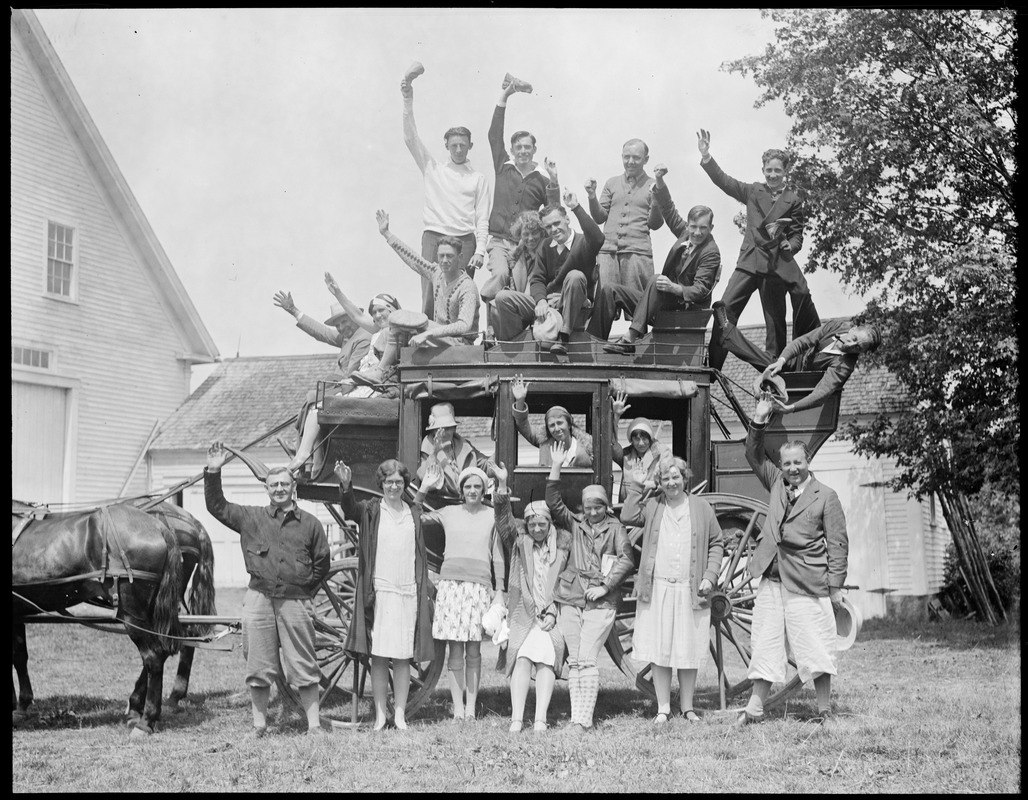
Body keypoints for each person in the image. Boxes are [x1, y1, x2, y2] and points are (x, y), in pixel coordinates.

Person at [735, 392, 849, 726]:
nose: (792, 469)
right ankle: (755, 708)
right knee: (765, 641)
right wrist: (759, 417)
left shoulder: (826, 496)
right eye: (786, 464)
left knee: (815, 643)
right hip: (771, 576)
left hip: (806, 580)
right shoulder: (775, 483)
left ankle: (824, 711)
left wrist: (836, 587)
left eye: (797, 462)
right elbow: (752, 452)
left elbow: (838, 544)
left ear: (807, 460)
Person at [204, 442, 331, 737]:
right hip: (258, 599)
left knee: (303, 663)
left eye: (284, 484)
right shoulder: (251, 518)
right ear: (267, 489)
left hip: (295, 602)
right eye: (274, 484)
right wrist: (213, 470)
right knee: (258, 666)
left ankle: (314, 727)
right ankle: (259, 726)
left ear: (293, 487)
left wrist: (302, 590)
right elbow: (217, 506)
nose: (279, 489)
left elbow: (322, 563)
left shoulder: (310, 524)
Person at [697, 129, 821, 369]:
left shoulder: (793, 200)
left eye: (778, 171)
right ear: (763, 170)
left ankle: (776, 369)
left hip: (775, 267)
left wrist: (790, 245)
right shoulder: (754, 191)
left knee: (774, 325)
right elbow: (725, 181)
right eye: (769, 170)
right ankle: (712, 366)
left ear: (786, 172)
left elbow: (797, 236)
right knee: (725, 310)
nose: (773, 175)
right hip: (749, 262)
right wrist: (706, 156)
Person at [621, 455, 724, 724]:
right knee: (660, 649)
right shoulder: (654, 505)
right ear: (660, 482)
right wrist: (636, 486)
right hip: (658, 588)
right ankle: (664, 707)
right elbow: (627, 515)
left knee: (687, 649)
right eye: (665, 478)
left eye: (675, 476)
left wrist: (710, 576)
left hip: (691, 590)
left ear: (684, 477)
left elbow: (716, 543)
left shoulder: (701, 507)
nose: (671, 482)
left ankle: (688, 707)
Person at [335, 458, 435, 731]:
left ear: (405, 485)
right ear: (381, 484)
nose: (393, 487)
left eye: (399, 482)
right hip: (380, 592)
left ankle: (400, 715)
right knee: (379, 657)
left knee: (403, 658)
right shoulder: (371, 510)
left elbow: (418, 503)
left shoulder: (412, 512)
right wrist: (346, 484)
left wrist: (426, 482)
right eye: (389, 482)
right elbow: (349, 508)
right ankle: (380, 716)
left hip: (407, 593)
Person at [546, 442, 634, 733]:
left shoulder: (616, 528)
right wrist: (556, 467)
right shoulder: (574, 524)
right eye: (588, 507)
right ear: (582, 508)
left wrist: (606, 587)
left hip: (602, 600)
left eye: (598, 506)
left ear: (606, 506)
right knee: (575, 660)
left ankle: (583, 721)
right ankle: (577, 718)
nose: (593, 512)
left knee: (587, 658)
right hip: (571, 597)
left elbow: (626, 559)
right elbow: (553, 502)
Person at [276, 279, 402, 473]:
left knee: (316, 402)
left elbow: (376, 369)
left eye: (345, 321)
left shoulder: (369, 336)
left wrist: (351, 380)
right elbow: (323, 332)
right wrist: (294, 310)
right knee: (314, 401)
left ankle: (306, 456)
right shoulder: (357, 335)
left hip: (370, 384)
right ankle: (306, 454)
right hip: (362, 382)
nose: (342, 327)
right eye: (339, 324)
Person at [416, 462, 506, 721]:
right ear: (461, 489)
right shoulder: (448, 512)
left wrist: (499, 589)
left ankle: (471, 708)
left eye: (478, 486)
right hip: (452, 586)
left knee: (474, 651)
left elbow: (498, 555)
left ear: (484, 490)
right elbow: (415, 518)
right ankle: (457, 709)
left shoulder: (492, 515)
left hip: (478, 587)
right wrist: (423, 490)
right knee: (455, 651)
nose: (473, 490)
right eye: (468, 486)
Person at [400, 63, 489, 318]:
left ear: (470, 146)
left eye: (463, 145)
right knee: (430, 294)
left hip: (465, 241)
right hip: (434, 237)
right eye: (454, 145)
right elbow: (410, 138)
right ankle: (427, 344)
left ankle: (461, 342)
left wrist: (480, 250)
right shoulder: (433, 168)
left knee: (461, 296)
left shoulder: (478, 178)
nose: (458, 150)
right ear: (446, 145)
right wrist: (408, 98)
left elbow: (482, 218)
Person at [601, 164, 721, 352]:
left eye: (703, 228)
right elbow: (668, 208)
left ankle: (631, 338)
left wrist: (674, 288)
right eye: (693, 227)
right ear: (688, 225)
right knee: (609, 289)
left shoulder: (711, 252)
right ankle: (594, 342)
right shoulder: (685, 233)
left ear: (710, 228)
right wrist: (659, 180)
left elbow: (700, 290)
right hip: (662, 303)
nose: (697, 233)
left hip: (682, 311)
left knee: (657, 279)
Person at [352, 210, 480, 385]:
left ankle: (380, 370)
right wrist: (387, 234)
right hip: (439, 339)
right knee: (395, 324)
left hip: (461, 346)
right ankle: (379, 370)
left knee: (407, 319)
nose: (444, 260)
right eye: (441, 256)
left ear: (460, 257)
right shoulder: (438, 274)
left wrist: (428, 333)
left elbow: (464, 326)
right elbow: (413, 259)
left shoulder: (467, 287)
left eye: (449, 256)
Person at [491, 461, 570, 733]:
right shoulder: (520, 543)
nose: (537, 528)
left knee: (547, 659)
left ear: (550, 524)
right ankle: (516, 718)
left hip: (551, 616)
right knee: (522, 657)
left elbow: (567, 583)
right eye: (532, 524)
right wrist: (502, 485)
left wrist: (554, 610)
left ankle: (540, 719)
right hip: (524, 614)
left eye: (542, 524)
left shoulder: (562, 547)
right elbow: (502, 518)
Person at [712, 310, 882, 413]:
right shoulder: (836, 326)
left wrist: (790, 408)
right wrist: (782, 361)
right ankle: (727, 336)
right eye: (853, 339)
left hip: (799, 379)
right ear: (852, 329)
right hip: (797, 361)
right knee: (773, 361)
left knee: (765, 361)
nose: (851, 345)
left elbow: (820, 395)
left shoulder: (844, 366)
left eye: (858, 348)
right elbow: (803, 342)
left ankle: (726, 333)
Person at [484, 72, 559, 302]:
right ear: (512, 150)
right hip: (498, 241)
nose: (523, 151)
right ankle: (485, 299)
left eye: (527, 147)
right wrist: (504, 96)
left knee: (518, 289)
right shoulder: (503, 167)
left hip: (525, 246)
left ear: (534, 150)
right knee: (500, 275)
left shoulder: (541, 177)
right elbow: (494, 134)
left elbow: (554, 211)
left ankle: (510, 333)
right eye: (518, 147)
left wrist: (554, 180)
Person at [516, 192, 605, 356]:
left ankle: (563, 337)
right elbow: (537, 279)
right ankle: (513, 346)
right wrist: (541, 301)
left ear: (567, 220)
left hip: (578, 306)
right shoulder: (545, 246)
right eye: (548, 227)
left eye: (557, 223)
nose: (554, 229)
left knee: (575, 276)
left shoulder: (583, 242)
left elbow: (598, 238)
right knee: (504, 298)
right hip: (550, 307)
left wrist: (576, 208)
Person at [585, 139, 665, 297]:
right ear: (621, 157)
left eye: (636, 157)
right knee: (604, 302)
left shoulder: (654, 185)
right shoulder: (612, 183)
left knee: (638, 303)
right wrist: (592, 196)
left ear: (646, 160)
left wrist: (656, 201)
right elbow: (599, 218)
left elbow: (655, 224)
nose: (631, 162)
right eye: (626, 157)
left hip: (637, 254)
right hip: (607, 252)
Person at [510, 375, 621, 468]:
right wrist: (520, 401)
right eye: (552, 425)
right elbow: (522, 424)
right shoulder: (544, 443)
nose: (556, 429)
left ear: (569, 424)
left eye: (560, 423)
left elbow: (610, 447)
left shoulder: (585, 449)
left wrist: (615, 417)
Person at [481, 210, 545, 343]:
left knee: (502, 297)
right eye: (526, 234)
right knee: (495, 308)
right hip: (519, 305)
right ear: (520, 236)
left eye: (535, 233)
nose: (531, 238)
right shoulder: (517, 257)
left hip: (541, 303)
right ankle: (506, 344)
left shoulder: (546, 251)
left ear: (541, 233)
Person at [416, 402, 493, 497]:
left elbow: (489, 465)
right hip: (440, 506)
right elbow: (425, 480)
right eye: (438, 429)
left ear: (454, 428)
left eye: (447, 428)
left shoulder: (465, 445)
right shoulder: (427, 449)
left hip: (468, 502)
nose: (443, 433)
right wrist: (435, 452)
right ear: (432, 431)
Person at [610, 389, 672, 501]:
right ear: (631, 440)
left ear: (650, 437)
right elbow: (611, 444)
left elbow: (668, 480)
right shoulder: (625, 455)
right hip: (629, 506)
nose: (641, 443)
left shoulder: (663, 452)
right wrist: (616, 417)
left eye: (644, 438)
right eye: (636, 439)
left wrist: (648, 485)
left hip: (656, 506)